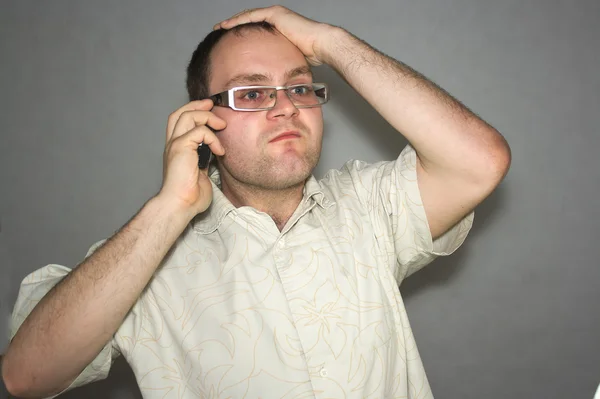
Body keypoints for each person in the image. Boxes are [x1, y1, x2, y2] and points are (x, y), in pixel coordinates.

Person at [2, 6, 510, 399]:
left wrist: (330, 42)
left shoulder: (370, 210)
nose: (286, 105)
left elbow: (479, 161)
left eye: (299, 86)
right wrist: (168, 207)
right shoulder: (144, 259)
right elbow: (26, 376)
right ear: (203, 120)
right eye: (251, 92)